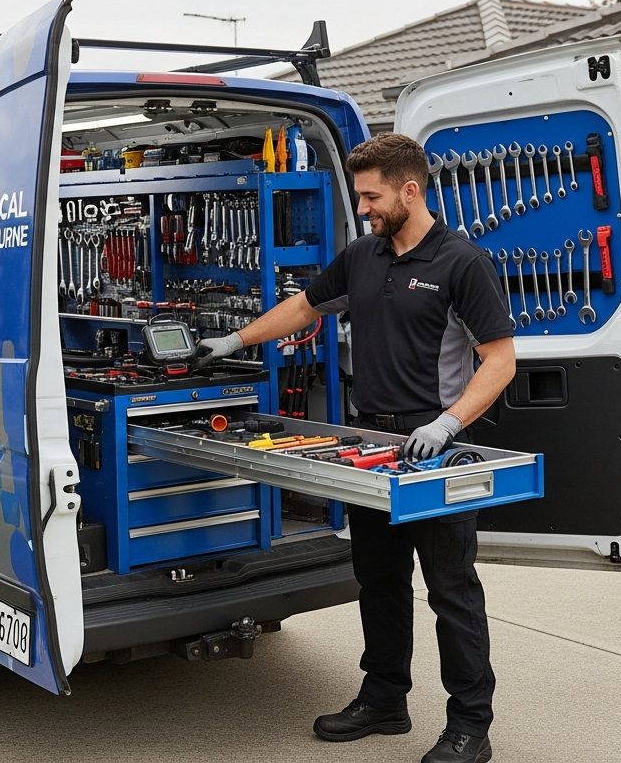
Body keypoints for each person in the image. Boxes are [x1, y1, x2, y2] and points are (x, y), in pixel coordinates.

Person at [197, 133, 515, 763]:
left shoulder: (461, 263)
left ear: (410, 189)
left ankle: (470, 724)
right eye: (360, 196)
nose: (364, 207)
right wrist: (235, 342)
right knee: (380, 578)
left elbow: (499, 361)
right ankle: (384, 698)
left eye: (372, 196)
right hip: (370, 441)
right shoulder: (364, 255)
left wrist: (448, 424)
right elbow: (304, 307)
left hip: (435, 445)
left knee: (450, 588)